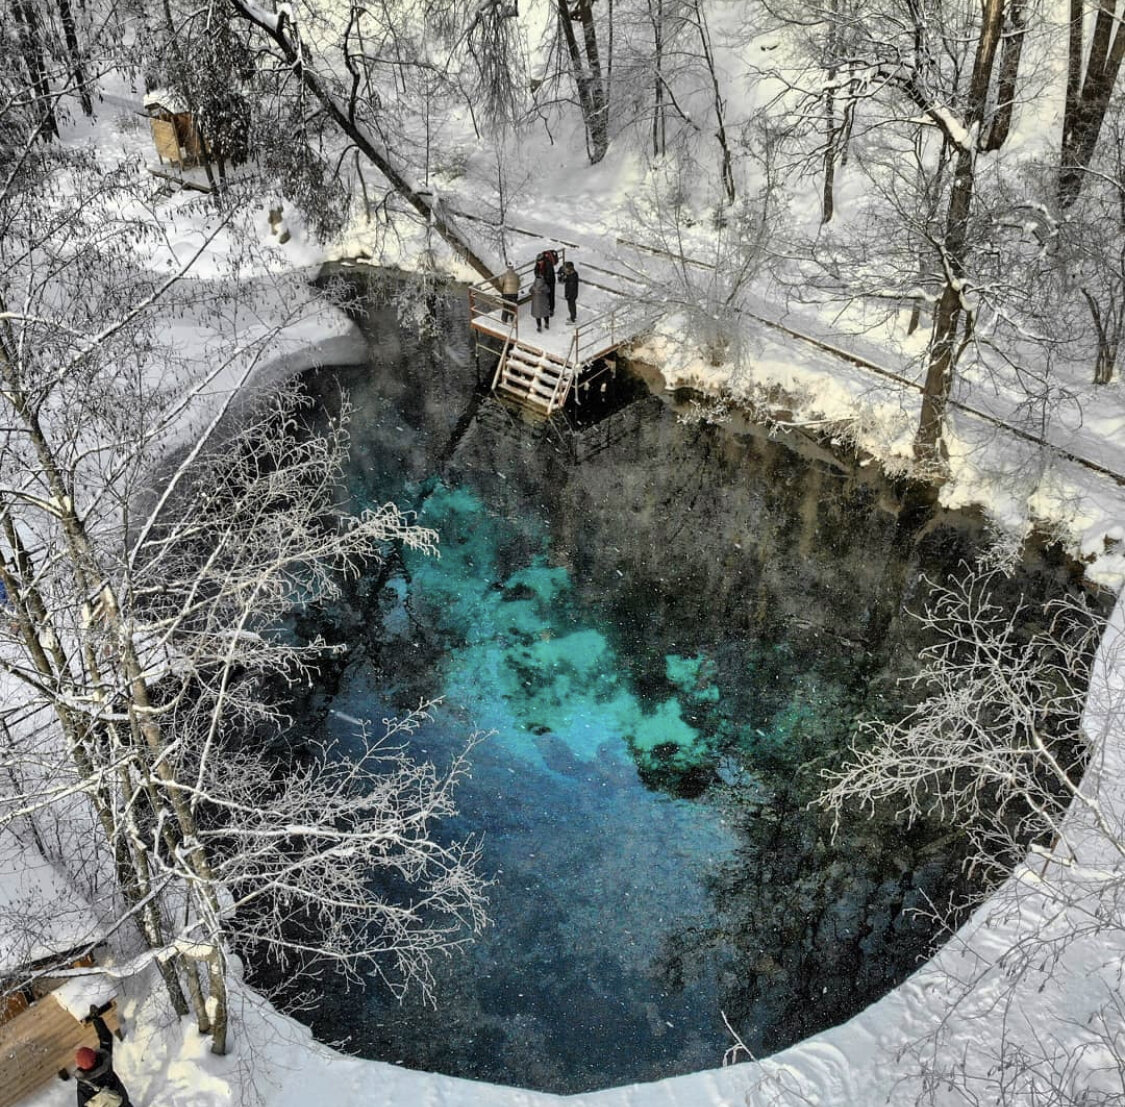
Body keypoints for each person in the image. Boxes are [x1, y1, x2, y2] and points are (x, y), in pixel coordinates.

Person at [75, 1006, 132, 1107]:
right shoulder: (105, 1065)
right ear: (94, 1056)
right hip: (121, 1102)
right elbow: (106, 1039)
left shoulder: (84, 1085)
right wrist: (96, 1019)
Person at [534, 250, 557, 316]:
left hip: (550, 282)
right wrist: (538, 275)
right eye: (538, 261)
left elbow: (550, 274)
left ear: (543, 260)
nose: (539, 263)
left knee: (551, 296)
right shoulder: (538, 264)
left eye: (540, 261)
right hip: (543, 282)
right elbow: (536, 270)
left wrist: (543, 277)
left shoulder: (548, 264)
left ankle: (551, 309)